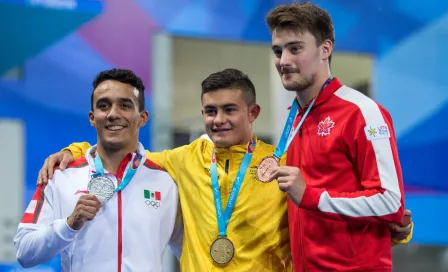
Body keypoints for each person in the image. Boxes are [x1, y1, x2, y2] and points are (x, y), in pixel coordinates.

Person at [37, 69, 412, 271]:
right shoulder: (182, 159)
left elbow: (322, 218)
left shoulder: (283, 162)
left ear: (253, 113)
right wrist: (76, 149)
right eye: (210, 111)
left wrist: (397, 231)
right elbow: (125, 150)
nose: (218, 120)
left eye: (229, 110)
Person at [265, 3, 413, 271]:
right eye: (278, 51)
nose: (283, 61)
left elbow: (391, 201)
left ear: (326, 49)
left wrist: (312, 196)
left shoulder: (363, 112)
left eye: (295, 48)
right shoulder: (296, 116)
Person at [14, 68, 183, 271]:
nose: (113, 114)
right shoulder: (61, 175)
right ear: (92, 118)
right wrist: (69, 225)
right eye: (104, 106)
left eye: (125, 105)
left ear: (142, 117)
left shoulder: (167, 182)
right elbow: (24, 251)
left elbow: (188, 251)